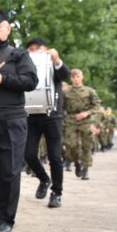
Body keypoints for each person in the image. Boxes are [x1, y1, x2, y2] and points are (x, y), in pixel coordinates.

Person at [0, 9, 38, 232]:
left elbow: (31, 81)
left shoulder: (19, 55)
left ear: (7, 28)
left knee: (9, 171)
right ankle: (2, 204)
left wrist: (3, 79)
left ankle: (5, 218)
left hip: (12, 120)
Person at [24, 37, 70, 208]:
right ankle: (44, 179)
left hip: (53, 116)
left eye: (38, 48)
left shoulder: (51, 64)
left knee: (54, 157)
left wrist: (56, 59)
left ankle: (56, 193)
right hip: (31, 115)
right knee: (28, 154)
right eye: (31, 49)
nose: (34, 51)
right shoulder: (25, 66)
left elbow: (65, 75)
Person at [63, 69, 101, 181]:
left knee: (87, 145)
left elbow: (96, 106)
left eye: (78, 76)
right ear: (71, 78)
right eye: (73, 77)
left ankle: (86, 169)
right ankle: (77, 161)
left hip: (86, 121)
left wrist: (86, 113)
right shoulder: (66, 92)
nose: (76, 79)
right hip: (71, 120)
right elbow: (61, 107)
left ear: (82, 77)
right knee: (71, 145)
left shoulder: (89, 91)